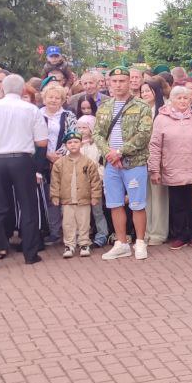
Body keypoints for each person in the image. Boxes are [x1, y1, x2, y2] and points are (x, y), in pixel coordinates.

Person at [0, 74, 48, 267]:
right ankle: (30, 254)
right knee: (28, 206)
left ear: (2, 89)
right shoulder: (31, 109)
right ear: (23, 89)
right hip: (21, 160)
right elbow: (42, 141)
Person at [93, 65, 153, 261]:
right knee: (114, 203)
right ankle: (121, 243)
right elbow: (97, 133)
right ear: (109, 83)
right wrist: (109, 153)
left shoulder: (142, 106)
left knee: (137, 204)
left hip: (133, 162)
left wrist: (119, 152)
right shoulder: (105, 107)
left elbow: (143, 135)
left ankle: (140, 242)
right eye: (115, 81)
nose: (118, 85)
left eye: (122, 81)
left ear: (129, 82)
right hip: (111, 164)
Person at [148, 82, 192, 248]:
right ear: (171, 100)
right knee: (177, 205)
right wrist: (154, 169)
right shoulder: (161, 119)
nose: (183, 101)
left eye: (186, 97)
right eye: (178, 98)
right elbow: (155, 145)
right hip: (172, 168)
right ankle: (180, 235)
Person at [50, 128, 102, 257]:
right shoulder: (59, 163)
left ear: (81, 144)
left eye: (75, 142)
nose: (73, 144)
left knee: (84, 222)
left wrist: (95, 196)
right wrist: (55, 195)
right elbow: (55, 181)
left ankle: (84, 243)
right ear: (66, 145)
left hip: (83, 198)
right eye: (70, 142)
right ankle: (69, 245)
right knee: (68, 223)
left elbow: (95, 181)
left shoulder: (88, 162)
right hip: (67, 199)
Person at [38, 80, 76, 245]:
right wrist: (47, 155)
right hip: (42, 161)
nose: (53, 100)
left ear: (62, 100)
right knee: (49, 197)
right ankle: (53, 231)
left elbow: (72, 136)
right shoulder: (37, 114)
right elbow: (32, 137)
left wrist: (59, 154)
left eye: (57, 98)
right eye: (50, 97)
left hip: (64, 160)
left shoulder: (68, 115)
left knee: (67, 197)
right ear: (44, 98)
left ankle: (69, 232)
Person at [139, 77, 170, 245]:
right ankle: (146, 230)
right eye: (142, 91)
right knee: (145, 196)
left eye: (147, 91)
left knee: (159, 196)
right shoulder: (138, 109)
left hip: (159, 158)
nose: (144, 94)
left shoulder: (164, 109)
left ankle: (158, 232)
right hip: (141, 157)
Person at [76, 116, 110, 247]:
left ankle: (102, 234)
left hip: (95, 182)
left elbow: (102, 165)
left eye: (84, 127)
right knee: (81, 211)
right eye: (79, 127)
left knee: (97, 210)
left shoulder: (97, 145)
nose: (81, 130)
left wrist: (97, 177)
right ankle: (83, 235)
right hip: (79, 183)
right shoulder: (74, 144)